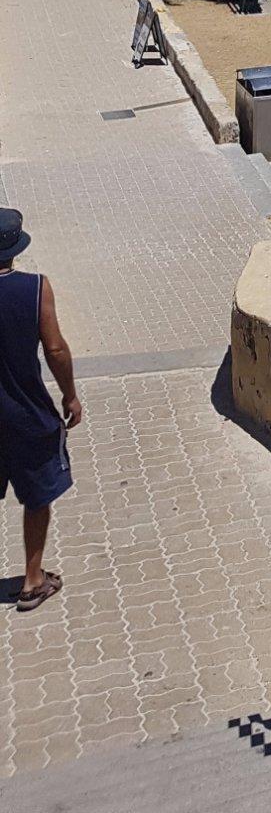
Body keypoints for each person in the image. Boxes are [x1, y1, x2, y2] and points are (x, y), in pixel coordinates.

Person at [0, 209, 82, 613]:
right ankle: (33, 579)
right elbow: (55, 349)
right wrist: (70, 395)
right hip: (25, 416)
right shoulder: (34, 289)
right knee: (36, 497)